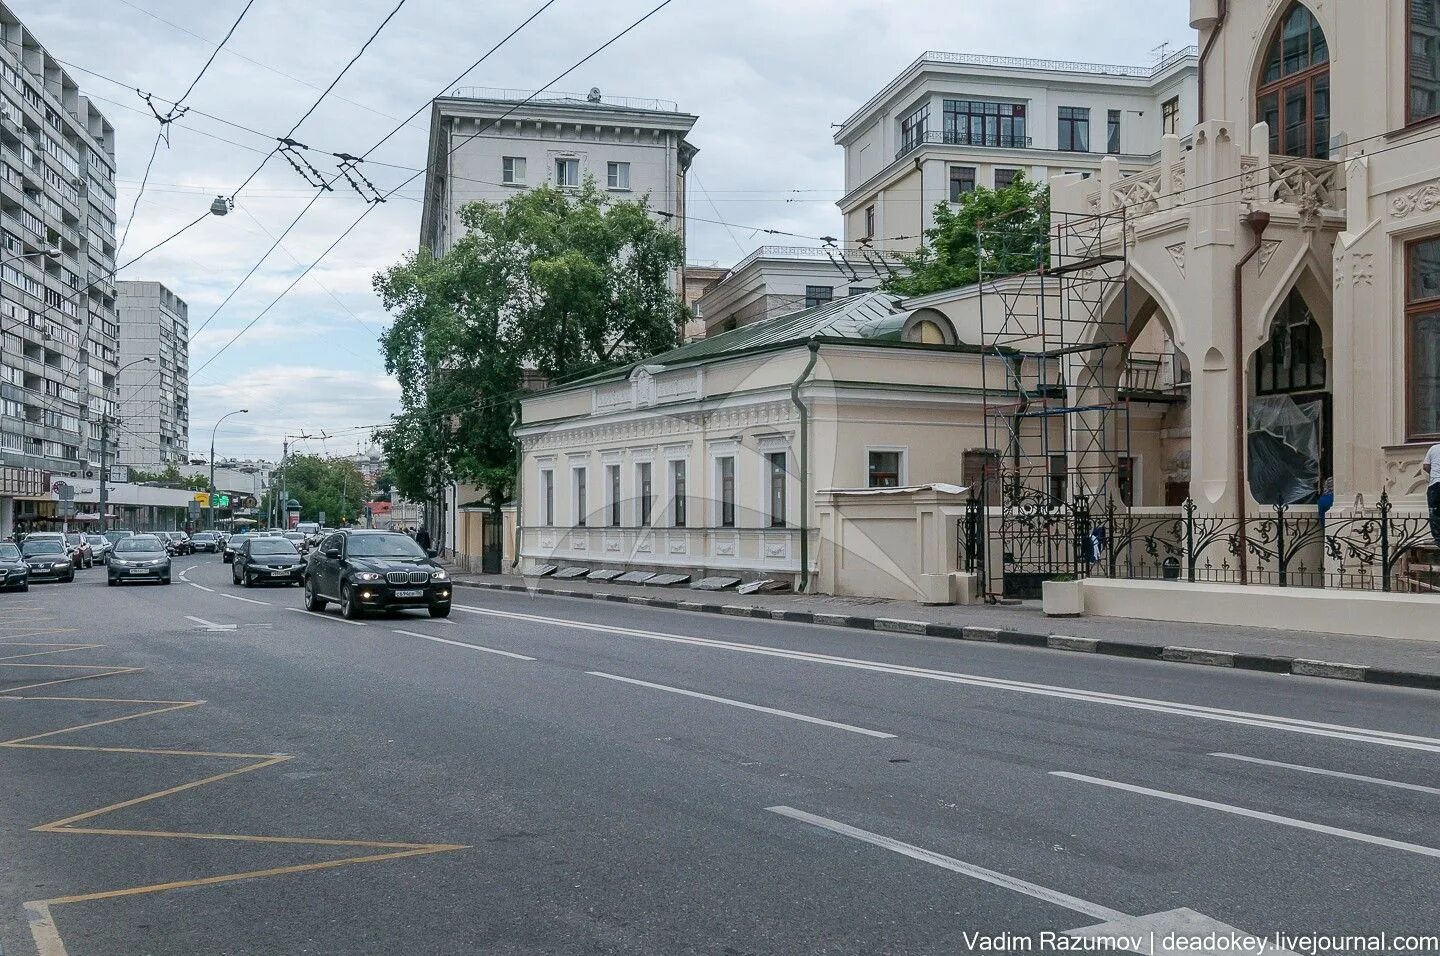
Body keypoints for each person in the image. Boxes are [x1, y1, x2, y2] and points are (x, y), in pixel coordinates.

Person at [1424, 440, 1440, 547]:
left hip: (1435, 483)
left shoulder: (1433, 448)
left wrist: (1434, 473)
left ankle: (1438, 538)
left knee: (1434, 511)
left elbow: (1426, 466)